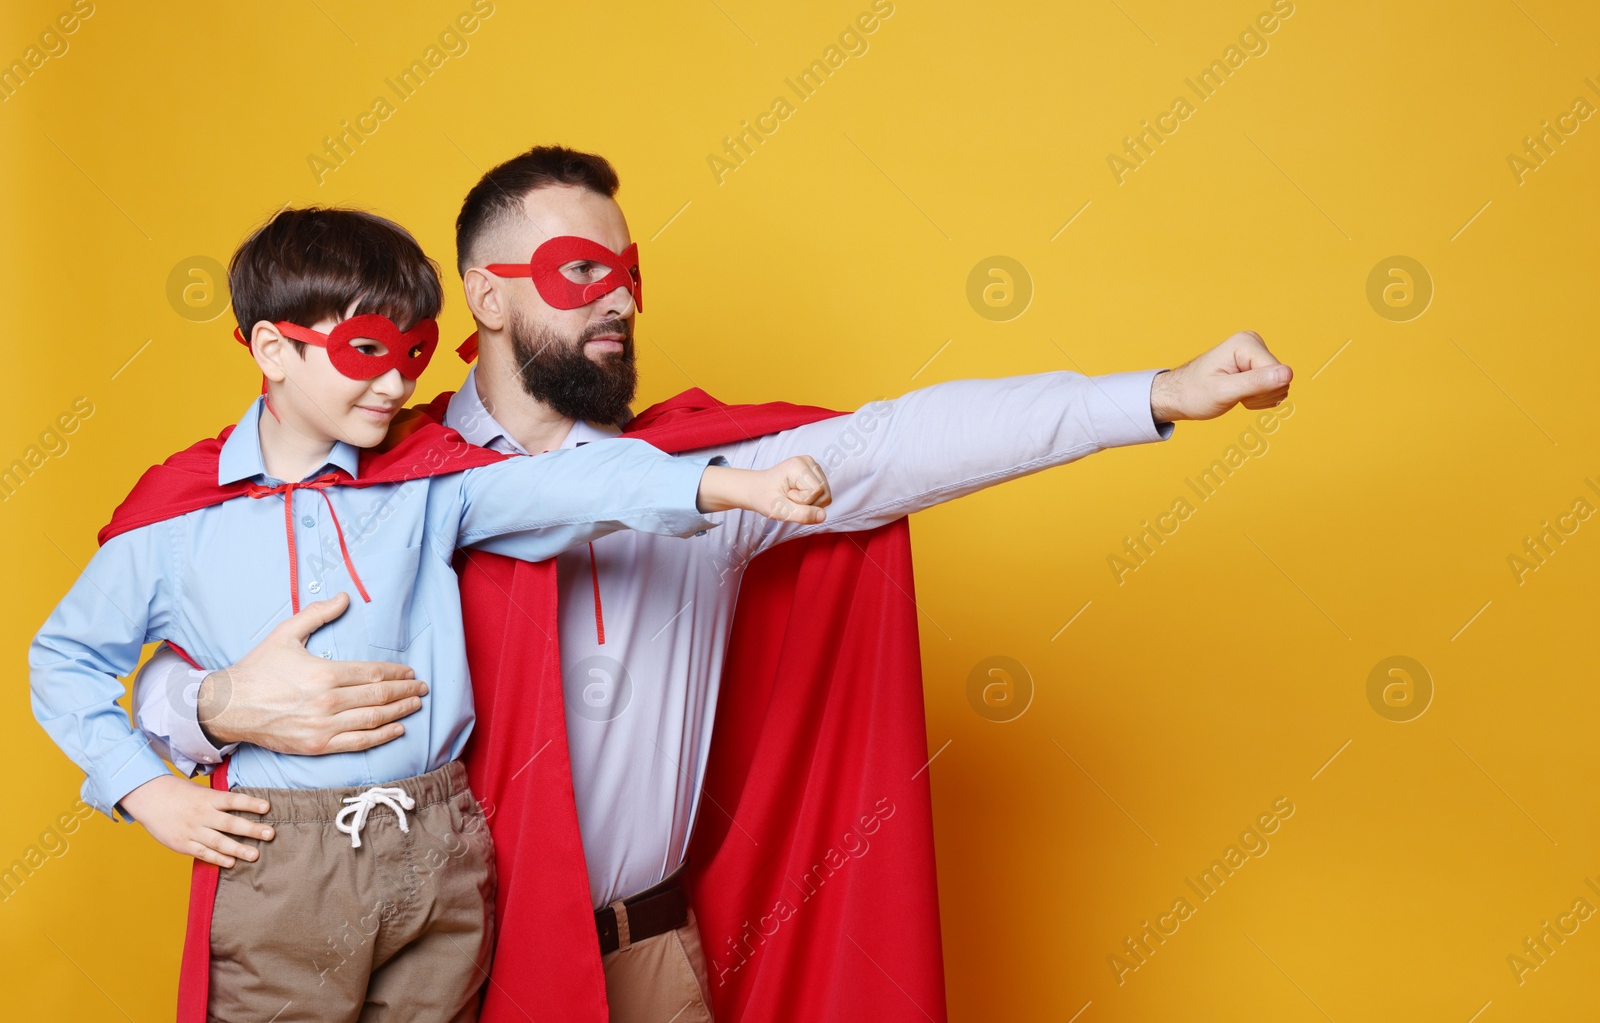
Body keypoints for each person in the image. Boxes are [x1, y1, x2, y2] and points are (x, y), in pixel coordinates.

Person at [136, 147, 1294, 1023]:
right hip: (447, 967)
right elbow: (154, 664)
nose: (620, 298)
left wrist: (1152, 393)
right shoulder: (381, 488)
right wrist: (216, 706)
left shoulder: (708, 481)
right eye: (578, 271)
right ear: (486, 297)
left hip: (647, 958)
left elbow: (905, 438)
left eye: (628, 272)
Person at [29, 206, 831, 1022]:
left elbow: (574, 482)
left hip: (439, 845)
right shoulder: (175, 520)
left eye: (414, 353)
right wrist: (145, 791)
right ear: (273, 347)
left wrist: (736, 486)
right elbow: (64, 660)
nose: (398, 384)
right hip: (287, 862)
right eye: (367, 352)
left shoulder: (429, 482)